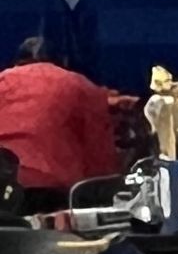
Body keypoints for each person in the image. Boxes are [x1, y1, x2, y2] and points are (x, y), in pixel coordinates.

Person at [0, 38, 120, 214]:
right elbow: (100, 157)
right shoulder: (82, 86)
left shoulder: (2, 81)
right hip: (55, 195)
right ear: (62, 61)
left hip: (5, 184)